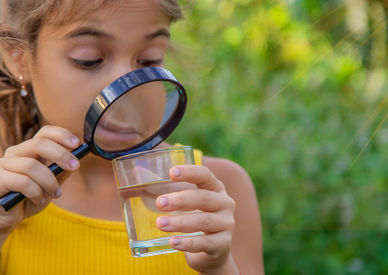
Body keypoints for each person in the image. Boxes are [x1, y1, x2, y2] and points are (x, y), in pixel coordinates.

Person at [0, 0, 264, 274]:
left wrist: (218, 266)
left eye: (149, 60)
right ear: (19, 57)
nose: (127, 90)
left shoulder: (218, 190)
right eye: (89, 60)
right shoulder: (6, 195)